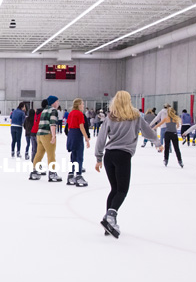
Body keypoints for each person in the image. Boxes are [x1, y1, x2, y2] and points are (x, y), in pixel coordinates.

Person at [94, 91, 162, 239]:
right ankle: (111, 217)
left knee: (114, 189)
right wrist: (157, 142)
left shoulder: (110, 116)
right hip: (123, 156)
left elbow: (101, 137)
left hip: (109, 156)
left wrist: (99, 157)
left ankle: (108, 223)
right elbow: (147, 131)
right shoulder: (135, 116)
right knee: (122, 190)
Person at [30, 96, 61, 182]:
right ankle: (52, 173)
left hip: (39, 135)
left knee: (39, 154)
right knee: (51, 154)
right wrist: (53, 136)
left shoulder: (44, 110)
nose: (58, 103)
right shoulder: (53, 111)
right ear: (53, 102)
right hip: (47, 134)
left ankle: (34, 172)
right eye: (57, 101)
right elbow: (52, 124)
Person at [65, 98, 91, 186]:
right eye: (82, 104)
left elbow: (68, 127)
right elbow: (81, 126)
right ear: (78, 105)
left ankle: (71, 175)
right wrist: (86, 138)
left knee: (73, 156)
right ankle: (79, 176)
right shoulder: (80, 114)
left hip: (71, 135)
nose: (83, 106)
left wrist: (70, 136)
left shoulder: (70, 113)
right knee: (79, 156)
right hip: (77, 135)